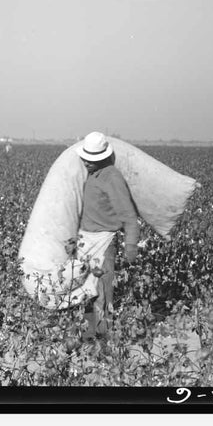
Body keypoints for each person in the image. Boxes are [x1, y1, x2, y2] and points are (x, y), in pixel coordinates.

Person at [76, 131, 139, 337]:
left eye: (91, 159)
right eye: (85, 158)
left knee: (103, 295)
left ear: (102, 158)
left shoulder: (112, 177)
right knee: (84, 292)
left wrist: (130, 246)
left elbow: (129, 215)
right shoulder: (90, 173)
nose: (87, 162)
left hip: (104, 243)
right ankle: (88, 337)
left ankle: (104, 343)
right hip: (85, 240)